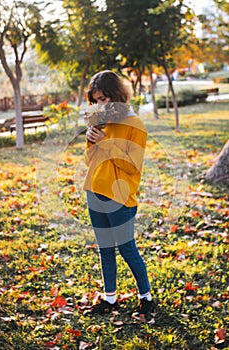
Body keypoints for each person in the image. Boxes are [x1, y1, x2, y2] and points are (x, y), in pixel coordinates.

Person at [83, 70, 154, 322]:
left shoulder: (135, 124)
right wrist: (92, 141)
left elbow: (132, 165)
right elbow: (91, 160)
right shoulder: (102, 121)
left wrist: (104, 142)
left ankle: (146, 298)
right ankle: (110, 298)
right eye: (96, 100)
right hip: (95, 190)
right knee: (105, 249)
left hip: (120, 196)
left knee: (126, 248)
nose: (100, 104)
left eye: (104, 99)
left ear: (117, 95)